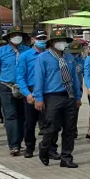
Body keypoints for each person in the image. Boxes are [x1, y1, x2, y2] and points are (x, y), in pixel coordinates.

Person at [33, 28, 82, 167]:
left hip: (69, 95)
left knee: (70, 128)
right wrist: (38, 98)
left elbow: (74, 78)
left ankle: (66, 157)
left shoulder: (69, 57)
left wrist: (78, 96)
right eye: (58, 40)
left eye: (63, 40)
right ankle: (44, 148)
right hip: (52, 96)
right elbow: (39, 79)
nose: (61, 43)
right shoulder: (43, 58)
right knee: (51, 127)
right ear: (52, 42)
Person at [0, 26, 27, 155]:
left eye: (19, 35)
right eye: (14, 35)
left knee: (23, 116)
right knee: (10, 116)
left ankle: (20, 141)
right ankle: (14, 145)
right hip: (6, 86)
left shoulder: (27, 50)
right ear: (9, 38)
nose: (17, 37)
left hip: (23, 86)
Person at [16, 31, 47, 158]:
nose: (42, 40)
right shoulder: (25, 56)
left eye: (44, 38)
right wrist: (27, 94)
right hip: (31, 91)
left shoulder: (49, 54)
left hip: (47, 92)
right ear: (33, 39)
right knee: (30, 122)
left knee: (49, 122)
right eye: (39, 38)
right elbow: (20, 77)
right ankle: (29, 147)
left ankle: (49, 147)